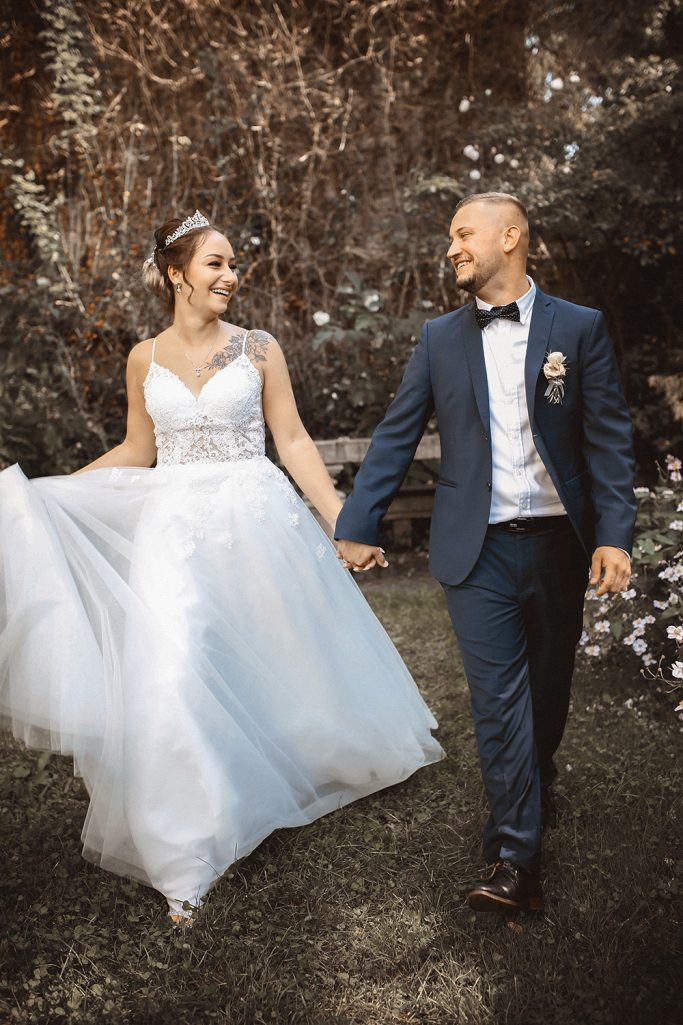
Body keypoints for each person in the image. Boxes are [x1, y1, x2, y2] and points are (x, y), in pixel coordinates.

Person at [0, 211, 443, 925]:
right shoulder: (143, 357)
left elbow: (292, 441)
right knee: (170, 670)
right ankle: (186, 846)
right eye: (215, 263)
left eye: (233, 263)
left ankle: (303, 754)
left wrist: (345, 523)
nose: (230, 275)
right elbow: (136, 449)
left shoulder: (259, 346)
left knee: (280, 654)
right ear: (176, 273)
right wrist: (53, 495)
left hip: (255, 518)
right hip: (173, 529)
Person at [336, 192, 636, 912]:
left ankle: (533, 782)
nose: (451, 249)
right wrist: (358, 520)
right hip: (476, 550)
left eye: (463, 234)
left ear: (510, 237)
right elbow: (397, 429)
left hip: (560, 544)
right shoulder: (439, 338)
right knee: (497, 702)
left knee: (546, 696)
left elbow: (607, 440)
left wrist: (611, 535)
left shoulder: (579, 328)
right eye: (449, 238)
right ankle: (513, 861)